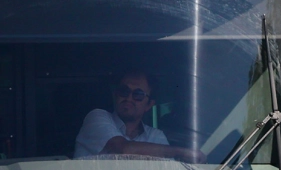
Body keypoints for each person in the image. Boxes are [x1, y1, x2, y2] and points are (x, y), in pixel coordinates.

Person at [74, 69, 204, 162]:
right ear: (116, 95)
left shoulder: (155, 136)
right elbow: (120, 149)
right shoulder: (96, 118)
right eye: (124, 91)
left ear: (149, 105)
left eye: (138, 94)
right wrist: (182, 151)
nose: (129, 98)